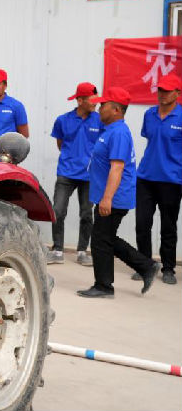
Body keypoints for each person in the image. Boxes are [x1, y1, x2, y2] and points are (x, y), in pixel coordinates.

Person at [77, 87, 159, 299]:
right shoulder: (111, 130)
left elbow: (117, 168)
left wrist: (107, 198)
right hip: (111, 195)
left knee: (100, 240)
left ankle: (104, 286)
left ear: (115, 109)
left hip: (114, 197)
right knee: (106, 238)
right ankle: (146, 266)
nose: (99, 108)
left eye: (103, 105)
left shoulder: (119, 133)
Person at [47, 82, 103, 266]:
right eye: (91, 99)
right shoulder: (63, 120)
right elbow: (60, 144)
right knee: (58, 210)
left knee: (87, 214)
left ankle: (82, 251)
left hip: (89, 176)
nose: (95, 102)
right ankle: (57, 250)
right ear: (80, 100)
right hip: (66, 173)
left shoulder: (100, 120)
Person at [133, 75, 182, 285]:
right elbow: (150, 140)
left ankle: (168, 268)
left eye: (167, 90)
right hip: (146, 177)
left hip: (172, 179)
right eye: (160, 90)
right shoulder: (149, 114)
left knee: (168, 226)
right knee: (142, 223)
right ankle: (145, 265)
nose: (162, 94)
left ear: (178, 93)